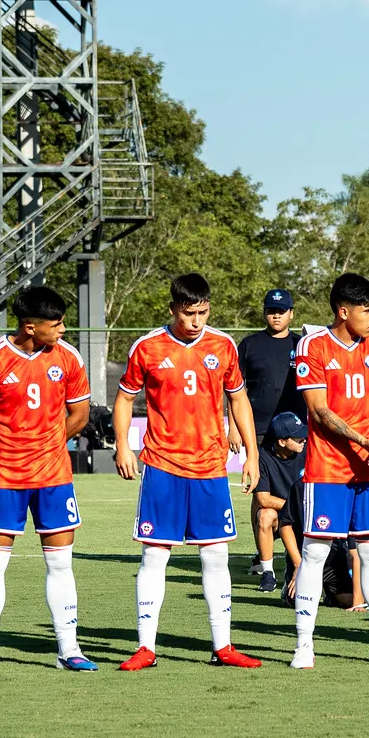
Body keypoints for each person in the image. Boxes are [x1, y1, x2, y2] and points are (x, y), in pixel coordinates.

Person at [114, 273, 261, 670]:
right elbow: (125, 398)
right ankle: (146, 647)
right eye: (189, 313)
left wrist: (251, 454)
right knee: (155, 556)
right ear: (173, 309)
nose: (197, 320)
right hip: (162, 466)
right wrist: (123, 445)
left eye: (203, 312)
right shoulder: (147, 347)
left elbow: (239, 400)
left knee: (215, 557)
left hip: (211, 467)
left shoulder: (222, 345)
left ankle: (223, 647)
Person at [0, 285, 94, 674]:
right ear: (30, 327)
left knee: (60, 564)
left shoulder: (68, 357)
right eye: (56, 324)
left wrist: (47, 445)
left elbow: (80, 415)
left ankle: (70, 650)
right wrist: (9, 450)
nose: (63, 330)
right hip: (5, 479)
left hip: (54, 477)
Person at [290, 273, 369, 668]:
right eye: (368, 310)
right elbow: (319, 412)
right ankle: (304, 646)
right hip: (328, 468)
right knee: (315, 552)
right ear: (344, 312)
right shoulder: (313, 346)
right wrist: (365, 442)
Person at [238, 288, 306, 592]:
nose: (276, 315)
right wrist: (232, 428)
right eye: (271, 310)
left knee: (296, 481)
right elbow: (235, 390)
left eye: (282, 310)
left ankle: (274, 545)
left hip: (296, 432)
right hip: (259, 429)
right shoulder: (250, 344)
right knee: (258, 489)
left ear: (292, 313)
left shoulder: (301, 345)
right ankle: (262, 556)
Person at [262, 412, 307, 594]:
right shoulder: (263, 457)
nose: (303, 440)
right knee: (265, 514)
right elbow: (263, 499)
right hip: (285, 516)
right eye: (298, 438)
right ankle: (267, 573)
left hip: (308, 514)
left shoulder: (309, 451)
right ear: (282, 441)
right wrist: (295, 508)